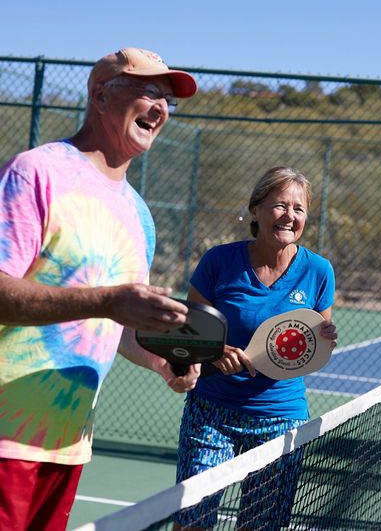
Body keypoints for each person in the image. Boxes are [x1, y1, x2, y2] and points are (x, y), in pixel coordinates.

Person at [0, 47, 199, 530]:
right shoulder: (35, 172)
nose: (160, 108)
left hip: (69, 444)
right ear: (100, 95)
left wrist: (164, 359)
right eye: (149, 92)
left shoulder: (139, 216)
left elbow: (122, 325)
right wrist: (108, 300)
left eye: (168, 100)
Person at [173, 166, 338, 531]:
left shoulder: (319, 271)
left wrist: (322, 340)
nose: (289, 216)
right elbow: (188, 335)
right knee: (192, 521)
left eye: (299, 209)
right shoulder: (218, 261)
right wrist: (215, 351)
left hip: (282, 419)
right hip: (211, 413)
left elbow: (312, 347)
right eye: (279, 205)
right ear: (256, 209)